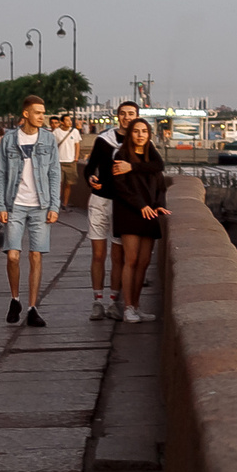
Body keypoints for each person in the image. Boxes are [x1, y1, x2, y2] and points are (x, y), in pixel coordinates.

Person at [0, 95, 64, 329]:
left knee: (36, 256)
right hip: (14, 204)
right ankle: (15, 299)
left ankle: (33, 308)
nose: (42, 116)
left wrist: (54, 206)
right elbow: (1, 174)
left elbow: (54, 173)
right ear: (26, 114)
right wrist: (0, 206)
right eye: (37, 112)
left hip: (40, 205)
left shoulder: (48, 139)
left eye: (43, 112)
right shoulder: (9, 139)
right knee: (12, 255)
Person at [81, 100, 143, 321]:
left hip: (122, 205)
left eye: (131, 114)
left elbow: (152, 169)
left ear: (137, 116)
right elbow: (90, 167)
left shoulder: (140, 141)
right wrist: (91, 178)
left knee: (119, 256)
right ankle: (97, 301)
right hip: (100, 200)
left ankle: (114, 302)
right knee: (98, 254)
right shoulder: (104, 140)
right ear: (117, 116)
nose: (127, 117)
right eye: (123, 113)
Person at [105, 115, 168, 323]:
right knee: (130, 260)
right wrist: (141, 205)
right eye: (136, 131)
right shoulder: (121, 155)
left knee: (144, 262)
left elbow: (160, 183)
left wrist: (158, 205)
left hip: (150, 213)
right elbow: (120, 187)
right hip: (129, 212)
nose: (140, 135)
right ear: (130, 134)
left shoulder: (152, 157)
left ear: (149, 135)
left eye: (144, 131)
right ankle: (128, 307)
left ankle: (137, 306)